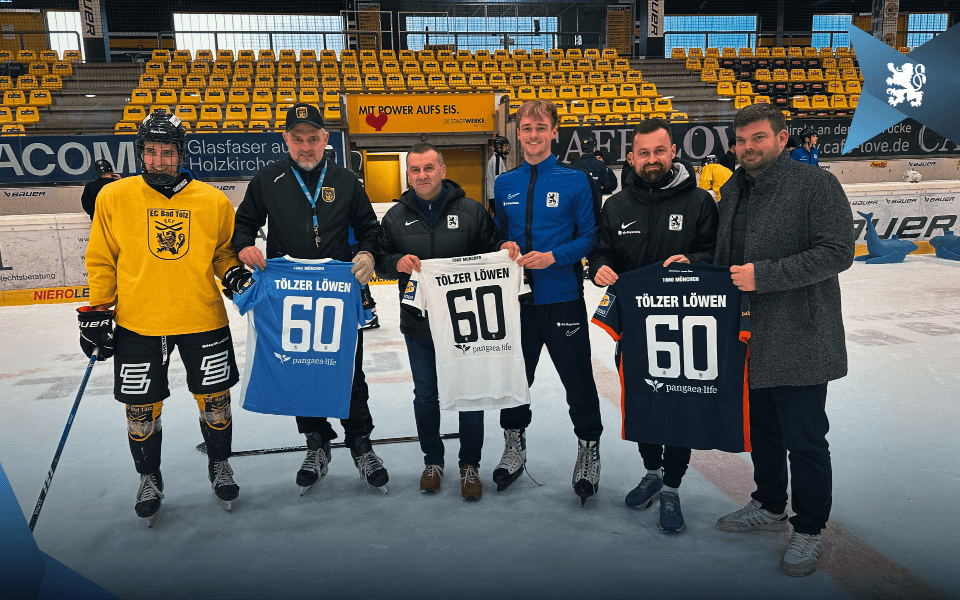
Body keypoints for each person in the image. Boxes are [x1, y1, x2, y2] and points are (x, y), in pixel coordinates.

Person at [80, 110, 251, 524]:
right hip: (138, 322)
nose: (159, 161)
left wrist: (233, 275)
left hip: (202, 318)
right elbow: (102, 259)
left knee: (216, 404)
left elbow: (223, 252)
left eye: (167, 152)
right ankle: (149, 476)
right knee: (140, 411)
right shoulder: (114, 197)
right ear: (141, 152)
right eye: (151, 152)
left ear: (181, 153)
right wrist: (99, 310)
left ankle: (219, 464)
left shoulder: (212, 200)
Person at [713, 104, 854, 576]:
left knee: (806, 438)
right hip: (748, 337)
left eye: (757, 138)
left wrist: (766, 276)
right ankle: (770, 504)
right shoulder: (733, 189)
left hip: (801, 335)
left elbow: (838, 252)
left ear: (782, 137)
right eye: (741, 140)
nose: (748, 148)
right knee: (763, 433)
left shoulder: (816, 184)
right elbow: (726, 256)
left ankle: (809, 527)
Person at [232, 103, 389, 495]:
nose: (306, 146)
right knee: (300, 368)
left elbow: (369, 229)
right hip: (289, 295)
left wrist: (368, 254)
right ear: (286, 140)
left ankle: (361, 444)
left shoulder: (347, 180)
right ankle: (316, 442)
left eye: (313, 138)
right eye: (298, 139)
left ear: (325, 139)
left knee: (348, 372)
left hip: (337, 293)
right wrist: (244, 247)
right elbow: (244, 224)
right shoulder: (268, 179)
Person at [589, 118, 718, 533]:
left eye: (659, 151)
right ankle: (652, 471)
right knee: (642, 399)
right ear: (631, 157)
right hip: (634, 323)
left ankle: (673, 485)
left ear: (674, 152)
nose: (651, 160)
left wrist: (694, 262)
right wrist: (600, 269)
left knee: (678, 402)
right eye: (643, 153)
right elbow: (601, 253)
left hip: (685, 327)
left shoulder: (700, 202)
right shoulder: (617, 205)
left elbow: (714, 253)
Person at [374, 142, 520, 501]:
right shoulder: (394, 217)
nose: (421, 176)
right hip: (418, 323)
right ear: (407, 174)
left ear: (441, 169)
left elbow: (493, 244)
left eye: (428, 168)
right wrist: (396, 263)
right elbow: (378, 260)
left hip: (465, 324)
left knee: (468, 392)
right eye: (414, 170)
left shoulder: (471, 210)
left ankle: (469, 464)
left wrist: (504, 248)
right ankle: (433, 462)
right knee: (426, 394)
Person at [491, 99, 603, 505]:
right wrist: (502, 244)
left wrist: (555, 256)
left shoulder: (575, 180)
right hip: (517, 302)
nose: (533, 135)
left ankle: (589, 450)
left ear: (554, 132)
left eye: (541, 128)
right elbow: (496, 235)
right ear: (517, 134)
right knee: (515, 382)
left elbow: (590, 237)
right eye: (526, 128)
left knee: (578, 380)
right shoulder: (505, 184)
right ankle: (514, 445)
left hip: (563, 298)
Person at [485, 135, 510, 206]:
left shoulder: (496, 158)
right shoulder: (497, 159)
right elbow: (498, 179)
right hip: (496, 196)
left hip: (494, 196)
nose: (507, 148)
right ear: (499, 148)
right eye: (505, 146)